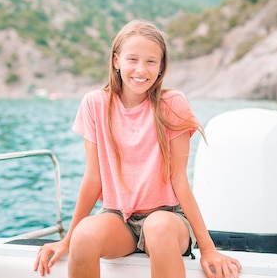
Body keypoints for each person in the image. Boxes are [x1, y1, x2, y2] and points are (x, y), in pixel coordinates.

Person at [33, 19, 242, 278]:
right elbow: (93, 178)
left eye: (151, 61)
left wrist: (209, 249)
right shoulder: (94, 104)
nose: (141, 70)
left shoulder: (172, 103)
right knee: (84, 236)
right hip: (118, 218)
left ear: (162, 65)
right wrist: (67, 240)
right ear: (116, 61)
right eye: (132, 59)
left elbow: (179, 179)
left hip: (168, 218)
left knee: (158, 228)